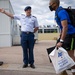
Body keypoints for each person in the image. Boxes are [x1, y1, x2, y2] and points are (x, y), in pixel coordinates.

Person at [49, 0, 75, 75]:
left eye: (50, 4)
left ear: (54, 4)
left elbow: (65, 26)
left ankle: (73, 72)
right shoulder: (57, 12)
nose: (49, 6)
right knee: (59, 52)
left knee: (70, 55)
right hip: (65, 35)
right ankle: (63, 72)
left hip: (70, 35)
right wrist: (60, 37)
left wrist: (61, 41)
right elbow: (61, 27)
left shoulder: (61, 12)